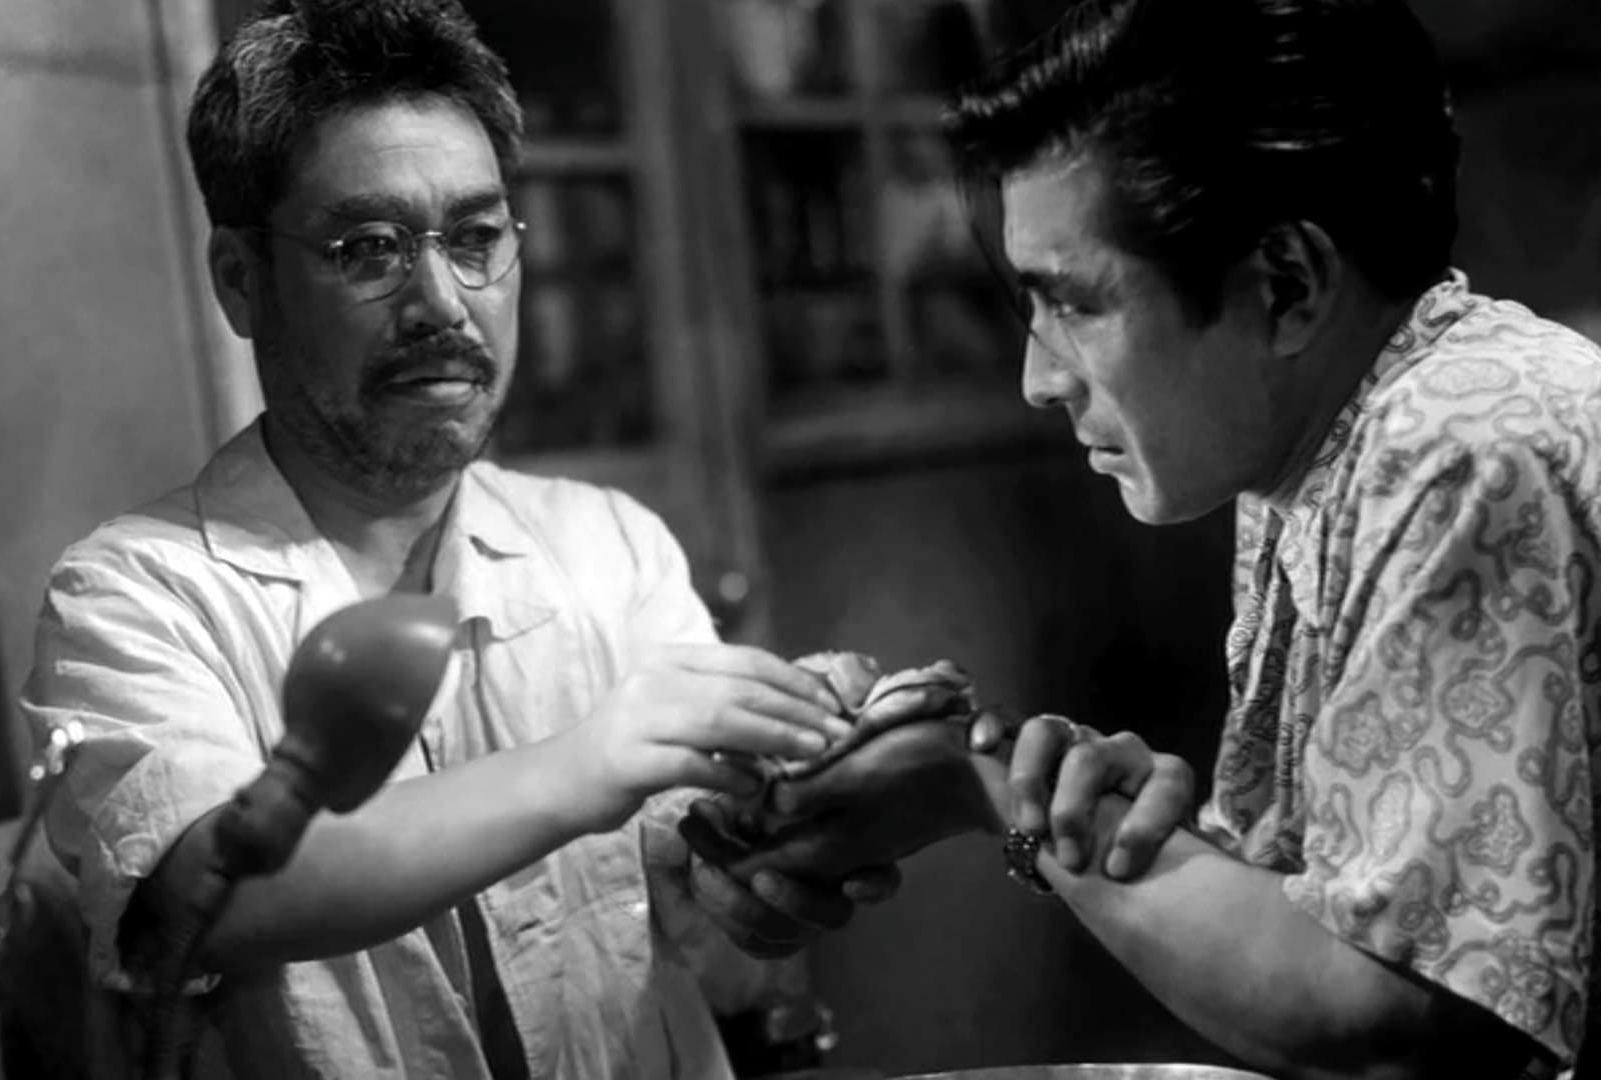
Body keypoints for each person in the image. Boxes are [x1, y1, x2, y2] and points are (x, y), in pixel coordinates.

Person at [683, 0, 1601, 1077]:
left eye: (1076, 305)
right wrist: (1093, 808)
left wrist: (973, 784)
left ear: (1286, 285)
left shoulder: (1460, 444)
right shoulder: (1319, 452)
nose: (1040, 378)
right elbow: (1328, 924)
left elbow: (1396, 1022)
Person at [16, 2, 915, 1077]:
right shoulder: (135, 594)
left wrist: (778, 853)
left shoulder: (607, 546)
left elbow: (699, 911)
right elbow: (210, 898)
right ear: (241, 279)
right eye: (369, 250)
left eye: (477, 239)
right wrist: (586, 765)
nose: (441, 303)